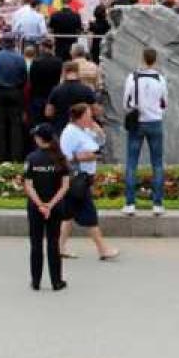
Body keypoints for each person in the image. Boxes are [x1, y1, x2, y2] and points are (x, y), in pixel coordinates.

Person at [58, 103, 119, 261]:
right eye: (88, 115)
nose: (91, 117)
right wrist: (82, 157)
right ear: (80, 117)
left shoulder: (85, 130)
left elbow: (98, 145)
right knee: (89, 215)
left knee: (69, 215)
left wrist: (99, 132)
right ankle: (102, 249)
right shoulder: (70, 133)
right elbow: (64, 158)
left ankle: (59, 246)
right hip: (77, 178)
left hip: (85, 177)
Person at [122, 48, 168, 216]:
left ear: (142, 59)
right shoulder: (160, 78)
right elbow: (165, 103)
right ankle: (157, 204)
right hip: (155, 122)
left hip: (137, 122)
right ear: (155, 60)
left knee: (132, 162)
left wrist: (134, 109)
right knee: (157, 163)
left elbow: (125, 102)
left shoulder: (132, 77)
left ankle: (130, 203)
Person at [24, 123, 70, 291]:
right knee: (53, 242)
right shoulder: (60, 158)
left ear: (39, 139)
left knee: (36, 243)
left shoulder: (32, 159)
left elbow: (28, 186)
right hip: (56, 207)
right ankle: (56, 281)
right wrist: (50, 205)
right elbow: (65, 186)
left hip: (36, 207)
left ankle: (36, 281)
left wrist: (40, 205)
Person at [0, 35, 28, 162]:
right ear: (14, 44)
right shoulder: (20, 58)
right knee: (15, 125)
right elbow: (24, 77)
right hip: (15, 91)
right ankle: (16, 156)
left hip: (0, 91)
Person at [44, 61, 96, 137]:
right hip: (82, 130)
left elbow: (48, 113)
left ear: (64, 72)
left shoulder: (56, 90)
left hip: (61, 129)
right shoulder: (86, 90)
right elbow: (95, 111)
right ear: (78, 71)